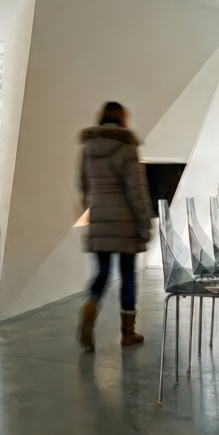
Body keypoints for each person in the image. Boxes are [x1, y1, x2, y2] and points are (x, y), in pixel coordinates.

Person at [76, 101, 153, 351]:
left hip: (98, 218)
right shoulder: (127, 146)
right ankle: (127, 333)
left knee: (102, 272)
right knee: (128, 274)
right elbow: (136, 191)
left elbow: (83, 186)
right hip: (125, 221)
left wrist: (95, 208)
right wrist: (145, 222)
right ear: (122, 119)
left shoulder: (87, 147)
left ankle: (89, 308)